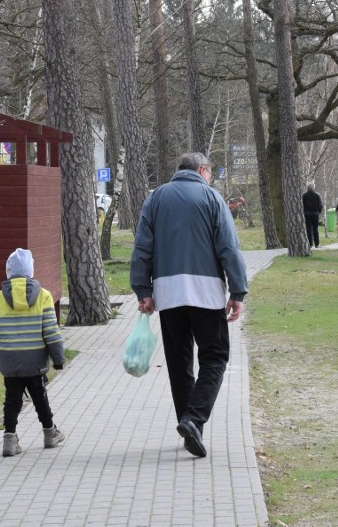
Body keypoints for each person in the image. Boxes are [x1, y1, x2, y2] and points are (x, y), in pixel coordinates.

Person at [130, 152, 248, 459]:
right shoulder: (211, 198)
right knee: (216, 356)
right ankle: (194, 419)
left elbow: (142, 246)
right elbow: (228, 247)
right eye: (210, 173)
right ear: (203, 170)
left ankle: (189, 427)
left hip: (168, 293)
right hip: (205, 291)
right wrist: (238, 291)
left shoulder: (155, 199)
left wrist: (142, 288)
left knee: (179, 363)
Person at [0, 248, 66, 457]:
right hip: (35, 359)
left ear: (8, 271)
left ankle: (9, 439)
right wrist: (58, 358)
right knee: (39, 396)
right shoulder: (44, 296)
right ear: (31, 270)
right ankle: (50, 433)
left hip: (9, 359)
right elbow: (51, 330)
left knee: (12, 399)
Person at [302, 182, 324, 248]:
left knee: (308, 229)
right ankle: (317, 244)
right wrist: (319, 211)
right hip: (315, 214)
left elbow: (302, 204)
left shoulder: (304, 195)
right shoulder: (317, 195)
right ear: (314, 187)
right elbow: (320, 204)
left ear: (307, 187)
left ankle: (310, 244)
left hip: (307, 214)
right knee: (315, 229)